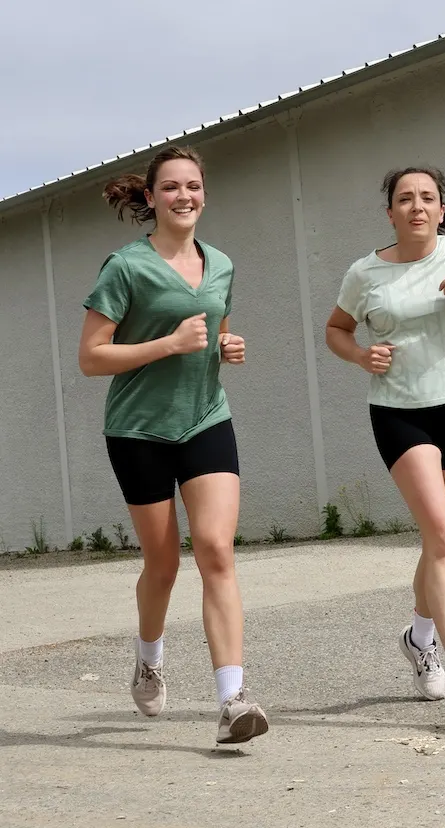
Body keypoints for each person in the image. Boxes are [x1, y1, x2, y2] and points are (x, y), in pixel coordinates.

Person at [78, 145, 268, 743]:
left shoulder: (222, 264)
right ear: (151, 196)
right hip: (138, 429)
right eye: (171, 187)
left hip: (206, 419)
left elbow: (214, 331)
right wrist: (167, 344)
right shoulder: (126, 267)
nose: (184, 196)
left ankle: (232, 699)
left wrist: (229, 347)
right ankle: (149, 656)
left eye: (193, 186)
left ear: (203, 193)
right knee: (162, 565)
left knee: (215, 550)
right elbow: (91, 357)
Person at [326, 167, 445, 717]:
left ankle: (419, 637)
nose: (416, 207)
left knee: (442, 541)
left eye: (427, 198)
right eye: (405, 199)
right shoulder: (365, 273)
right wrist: (360, 355)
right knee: (444, 537)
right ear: (390, 213)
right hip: (399, 413)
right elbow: (336, 329)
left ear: (440, 209)